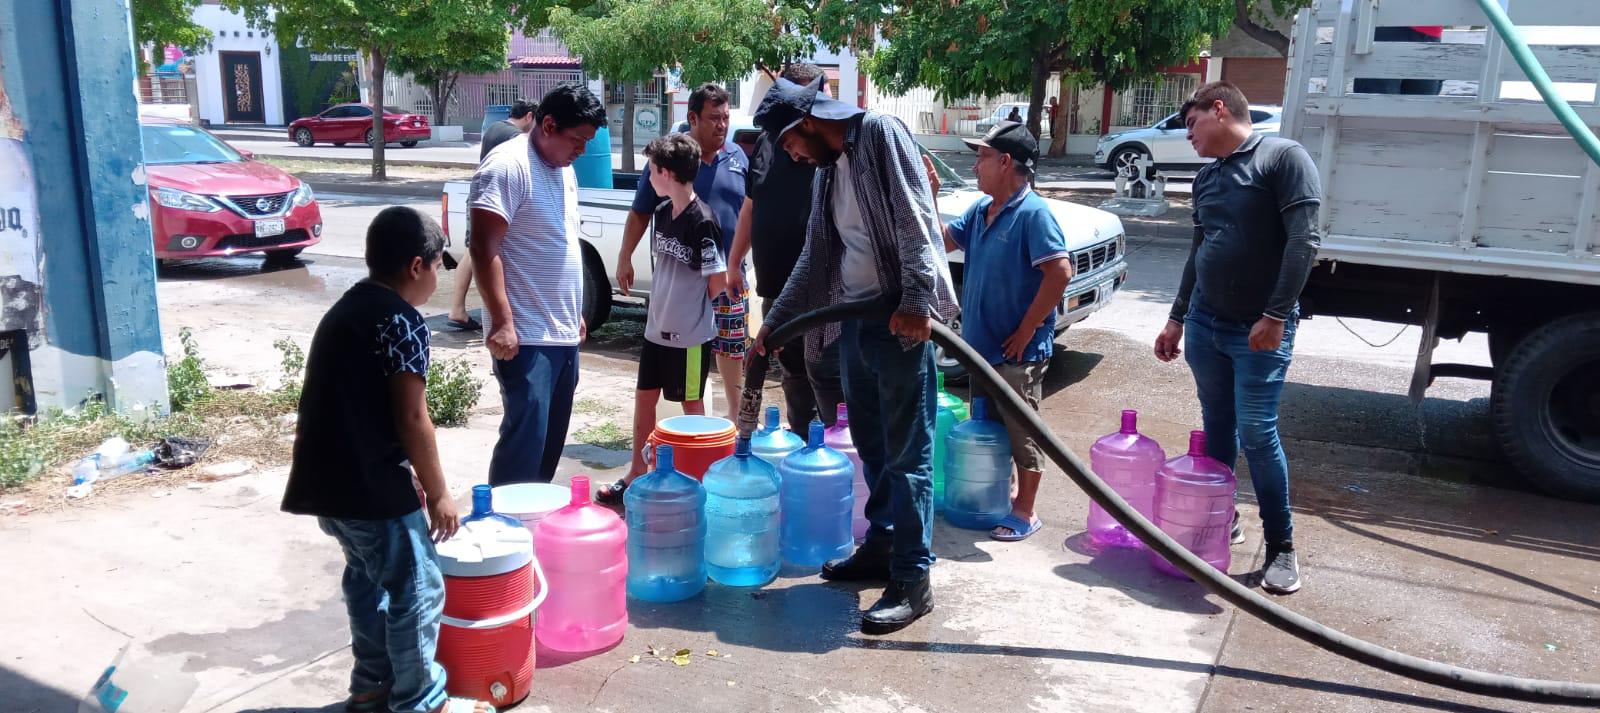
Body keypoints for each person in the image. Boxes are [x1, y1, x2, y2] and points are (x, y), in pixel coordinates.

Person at [751, 75, 959, 634]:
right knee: (870, 447)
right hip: (854, 322)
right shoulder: (826, 171)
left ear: (809, 123)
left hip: (899, 323)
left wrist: (918, 301)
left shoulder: (881, 135)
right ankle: (882, 548)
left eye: (790, 143)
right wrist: (773, 325)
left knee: (907, 456)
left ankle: (913, 579)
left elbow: (915, 219)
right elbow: (815, 254)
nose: (792, 155)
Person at [281, 206, 495, 713]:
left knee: (367, 581)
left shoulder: (347, 308)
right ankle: (422, 700)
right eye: (438, 267)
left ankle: (373, 686)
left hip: (326, 486)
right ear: (416, 267)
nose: (440, 279)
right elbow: (412, 418)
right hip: (371, 487)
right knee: (418, 589)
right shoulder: (403, 321)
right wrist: (439, 492)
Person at [1153, 81, 1321, 595]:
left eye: (1192, 124)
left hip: (1258, 331)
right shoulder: (1207, 177)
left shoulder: (1282, 158)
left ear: (1219, 109)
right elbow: (1197, 251)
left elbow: (1304, 241)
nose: (1189, 137)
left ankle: (1282, 548)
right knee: (1217, 431)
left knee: (1257, 433)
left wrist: (1275, 314)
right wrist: (1177, 317)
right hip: (1205, 325)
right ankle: (1222, 519)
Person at [930, 121, 1072, 543]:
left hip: (1016, 354)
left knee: (1022, 432)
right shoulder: (980, 211)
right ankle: (1002, 496)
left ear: (1006, 162)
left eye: (982, 157)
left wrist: (1028, 328)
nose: (975, 165)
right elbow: (942, 243)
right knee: (989, 429)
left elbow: (1059, 272)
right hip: (980, 350)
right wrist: (932, 198)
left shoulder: (1033, 214)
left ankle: (1025, 511)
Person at [470, 82, 607, 486]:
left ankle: (533, 525)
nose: (581, 150)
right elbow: (482, 247)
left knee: (549, 445)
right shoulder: (507, 166)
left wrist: (575, 313)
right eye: (577, 140)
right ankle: (505, 532)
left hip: (561, 334)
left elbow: (561, 241)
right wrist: (501, 321)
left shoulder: (563, 170)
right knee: (524, 446)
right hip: (526, 336)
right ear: (548, 125)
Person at [598, 135, 729, 503]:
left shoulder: (702, 220)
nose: (648, 177)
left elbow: (716, 282)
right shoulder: (659, 215)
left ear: (666, 173)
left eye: (651, 170)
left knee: (692, 407)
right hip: (656, 331)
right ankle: (637, 471)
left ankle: (697, 479)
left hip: (689, 337)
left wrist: (690, 312)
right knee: (645, 399)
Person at [617, 83, 749, 424]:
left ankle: (734, 420)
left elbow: (750, 212)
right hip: (687, 284)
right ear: (692, 117)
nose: (721, 125)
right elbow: (640, 212)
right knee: (689, 364)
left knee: (732, 348)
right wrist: (625, 256)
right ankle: (692, 429)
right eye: (713, 118)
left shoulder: (737, 157)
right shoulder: (671, 161)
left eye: (725, 118)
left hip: (727, 274)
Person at [728, 63, 845, 431]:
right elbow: (751, 204)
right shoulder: (769, 140)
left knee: (829, 382)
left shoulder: (832, 148)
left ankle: (836, 456)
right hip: (778, 290)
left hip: (825, 293)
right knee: (794, 379)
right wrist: (734, 262)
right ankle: (801, 451)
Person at [447, 100, 539, 332]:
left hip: (481, 196)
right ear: (529, 116)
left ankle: (458, 308)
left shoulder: (495, 128)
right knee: (478, 251)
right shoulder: (513, 136)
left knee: (474, 249)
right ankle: (462, 310)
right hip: (491, 199)